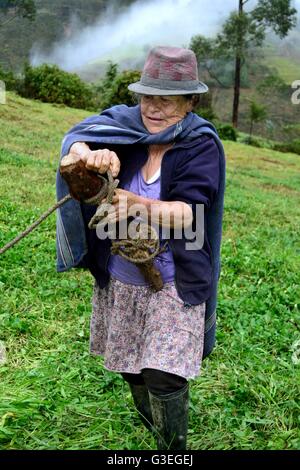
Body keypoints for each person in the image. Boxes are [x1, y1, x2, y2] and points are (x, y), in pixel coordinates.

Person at [56, 46, 226, 450]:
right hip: (124, 276)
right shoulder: (125, 127)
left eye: (167, 100)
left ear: (190, 101)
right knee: (132, 369)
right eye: (148, 96)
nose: (153, 108)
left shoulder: (198, 145)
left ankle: (173, 449)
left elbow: (189, 215)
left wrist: (136, 205)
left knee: (164, 374)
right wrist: (85, 154)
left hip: (173, 277)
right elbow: (75, 141)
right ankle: (154, 425)